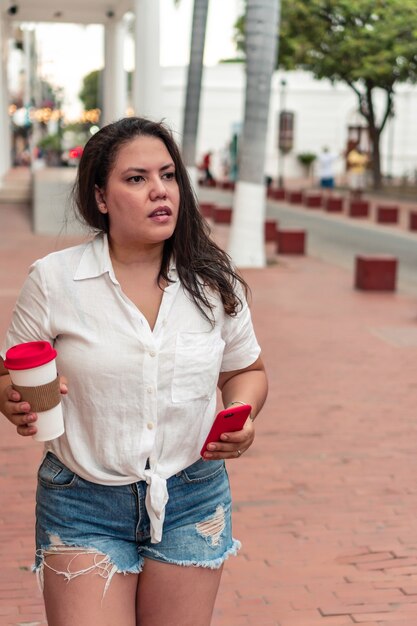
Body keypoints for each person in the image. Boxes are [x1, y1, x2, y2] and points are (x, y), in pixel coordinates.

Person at [0, 117, 268, 626]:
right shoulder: (55, 280)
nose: (159, 190)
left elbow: (247, 369)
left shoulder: (213, 281)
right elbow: (8, 372)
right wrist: (12, 398)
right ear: (101, 197)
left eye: (168, 176)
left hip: (193, 495)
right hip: (82, 501)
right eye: (137, 178)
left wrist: (241, 410)